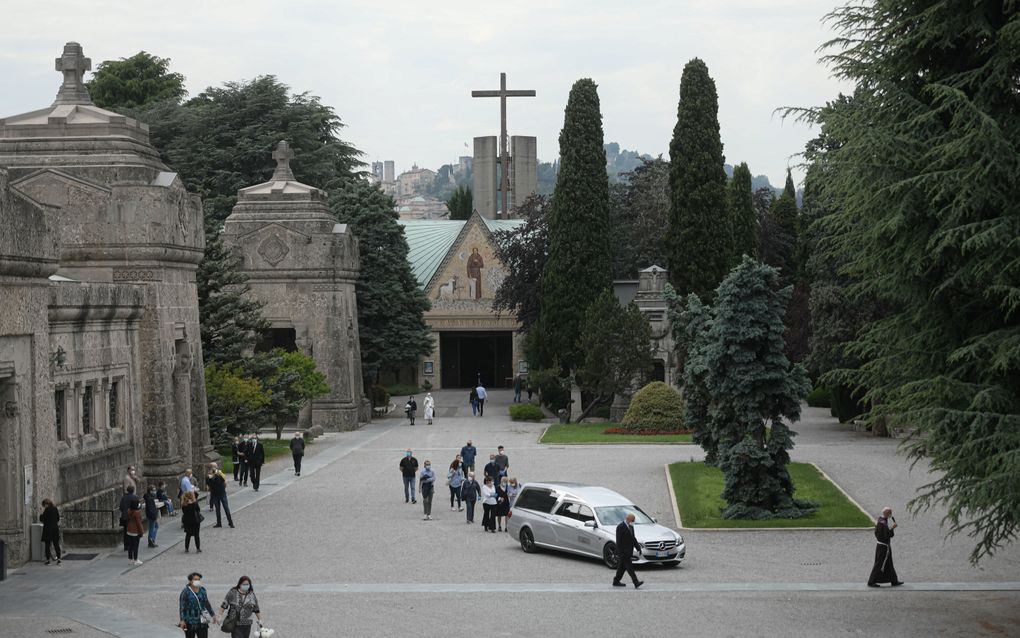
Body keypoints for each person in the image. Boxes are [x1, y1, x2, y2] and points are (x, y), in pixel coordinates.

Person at [868, 506, 904, 587]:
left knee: (889, 564)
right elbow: (886, 535)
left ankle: (894, 580)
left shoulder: (881, 520)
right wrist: (892, 528)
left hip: (884, 546)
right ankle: (871, 581)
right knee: (879, 564)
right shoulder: (883, 523)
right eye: (890, 513)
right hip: (883, 548)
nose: (891, 515)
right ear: (886, 513)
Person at [179, 571, 218, 637]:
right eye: (195, 579)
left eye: (199, 579)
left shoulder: (203, 590)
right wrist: (182, 620)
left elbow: (207, 603)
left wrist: (213, 615)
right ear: (190, 581)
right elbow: (182, 607)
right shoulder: (185, 592)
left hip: (202, 621)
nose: (197, 581)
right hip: (190, 622)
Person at [612, 512, 644, 589]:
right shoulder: (620, 527)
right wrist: (620, 552)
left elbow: (633, 538)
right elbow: (618, 541)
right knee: (629, 568)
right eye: (633, 520)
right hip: (623, 552)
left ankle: (616, 581)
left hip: (628, 552)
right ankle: (636, 582)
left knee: (621, 568)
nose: (633, 521)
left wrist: (638, 548)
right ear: (628, 519)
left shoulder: (631, 527)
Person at [206, 464, 234, 528]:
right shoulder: (209, 477)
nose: (215, 469)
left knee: (226, 508)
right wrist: (212, 476)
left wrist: (217, 474)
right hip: (215, 494)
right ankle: (219, 523)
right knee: (218, 509)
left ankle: (230, 522)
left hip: (221, 493)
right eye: (213, 468)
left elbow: (223, 480)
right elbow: (209, 484)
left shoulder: (219, 475)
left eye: (215, 468)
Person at [39, 498, 61, 565]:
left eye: (44, 505)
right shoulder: (55, 509)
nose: (44, 506)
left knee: (47, 545)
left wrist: (41, 515)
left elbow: (43, 519)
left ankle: (48, 560)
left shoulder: (47, 510)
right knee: (56, 544)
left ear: (46, 504)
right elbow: (58, 518)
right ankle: (59, 559)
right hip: (55, 529)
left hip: (48, 530)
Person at [118, 484, 140, 551]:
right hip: (132, 517)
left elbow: (121, 507)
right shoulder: (135, 497)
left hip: (125, 516)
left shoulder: (123, 498)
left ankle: (126, 546)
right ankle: (132, 545)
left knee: (125, 532)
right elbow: (138, 507)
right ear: (133, 490)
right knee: (133, 531)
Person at [126, 497, 144, 565]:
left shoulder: (129, 511)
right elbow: (139, 524)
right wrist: (141, 532)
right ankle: (136, 559)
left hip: (129, 530)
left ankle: (130, 559)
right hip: (135, 531)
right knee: (135, 546)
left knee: (130, 546)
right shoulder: (137, 513)